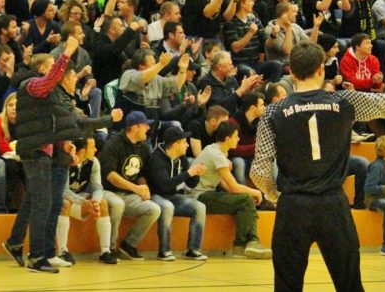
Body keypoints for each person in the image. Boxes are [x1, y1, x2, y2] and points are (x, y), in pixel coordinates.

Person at [251, 37, 385, 291]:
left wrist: (274, 194)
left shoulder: (273, 112)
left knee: (286, 286)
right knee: (349, 285)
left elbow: (259, 170)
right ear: (321, 69)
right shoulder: (344, 102)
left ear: (291, 71)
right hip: (332, 205)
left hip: (293, 206)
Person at [4, 37, 83, 273]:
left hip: (44, 151)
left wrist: (65, 144)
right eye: (53, 65)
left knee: (34, 201)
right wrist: (67, 52)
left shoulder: (47, 94)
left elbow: (55, 123)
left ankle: (15, 242)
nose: (58, 71)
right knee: (43, 204)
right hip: (35, 151)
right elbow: (51, 80)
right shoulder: (32, 85)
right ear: (42, 69)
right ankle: (37, 257)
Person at [191, 121, 271, 259]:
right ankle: (248, 242)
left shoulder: (214, 150)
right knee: (245, 199)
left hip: (205, 194)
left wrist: (242, 196)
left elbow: (226, 185)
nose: (238, 139)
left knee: (245, 201)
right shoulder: (217, 155)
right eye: (236, 136)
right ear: (228, 139)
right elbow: (234, 186)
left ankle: (245, 244)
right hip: (199, 197)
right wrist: (256, 192)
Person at [99, 111, 161, 261]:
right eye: (145, 125)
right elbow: (110, 176)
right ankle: (110, 248)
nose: (148, 128)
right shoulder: (113, 143)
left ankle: (129, 244)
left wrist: (144, 187)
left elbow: (141, 174)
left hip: (129, 194)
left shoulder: (144, 147)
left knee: (154, 209)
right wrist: (136, 189)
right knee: (118, 204)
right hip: (107, 191)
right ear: (135, 127)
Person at [147, 126, 208, 261]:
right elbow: (164, 184)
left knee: (199, 207)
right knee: (168, 207)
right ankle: (164, 251)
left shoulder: (181, 158)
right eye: (184, 142)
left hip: (172, 196)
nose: (187, 145)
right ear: (175, 145)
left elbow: (191, 184)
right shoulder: (157, 159)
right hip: (155, 196)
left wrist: (196, 174)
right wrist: (188, 173)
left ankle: (193, 250)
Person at [55, 137, 119, 265]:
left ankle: (105, 251)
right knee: (65, 203)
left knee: (103, 203)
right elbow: (63, 191)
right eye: (92, 147)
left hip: (79, 198)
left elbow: (98, 187)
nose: (96, 149)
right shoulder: (66, 161)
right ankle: (62, 251)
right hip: (61, 199)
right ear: (83, 151)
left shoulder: (94, 162)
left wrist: (94, 201)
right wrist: (84, 202)